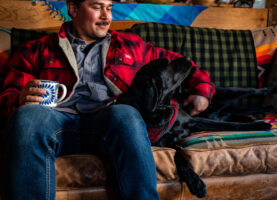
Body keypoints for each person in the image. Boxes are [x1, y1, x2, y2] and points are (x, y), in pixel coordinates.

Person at [0, 0, 215, 199]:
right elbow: (8, 97)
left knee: (126, 113)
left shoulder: (130, 45)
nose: (106, 16)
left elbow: (178, 62)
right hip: (55, 123)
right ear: (73, 9)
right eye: (97, 7)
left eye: (109, 8)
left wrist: (202, 90)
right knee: (27, 117)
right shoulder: (36, 49)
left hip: (107, 124)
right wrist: (19, 99)